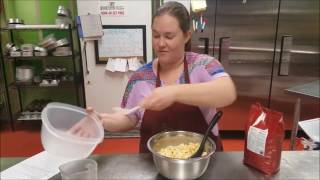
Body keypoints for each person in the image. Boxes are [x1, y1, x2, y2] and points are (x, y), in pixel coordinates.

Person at [71, 1, 236, 152]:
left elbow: (227, 92)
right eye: (156, 35)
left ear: (186, 35)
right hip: (155, 163)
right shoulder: (141, 77)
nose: (161, 43)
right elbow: (129, 117)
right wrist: (102, 121)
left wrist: (173, 93)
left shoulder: (203, 65)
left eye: (169, 36)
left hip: (202, 162)